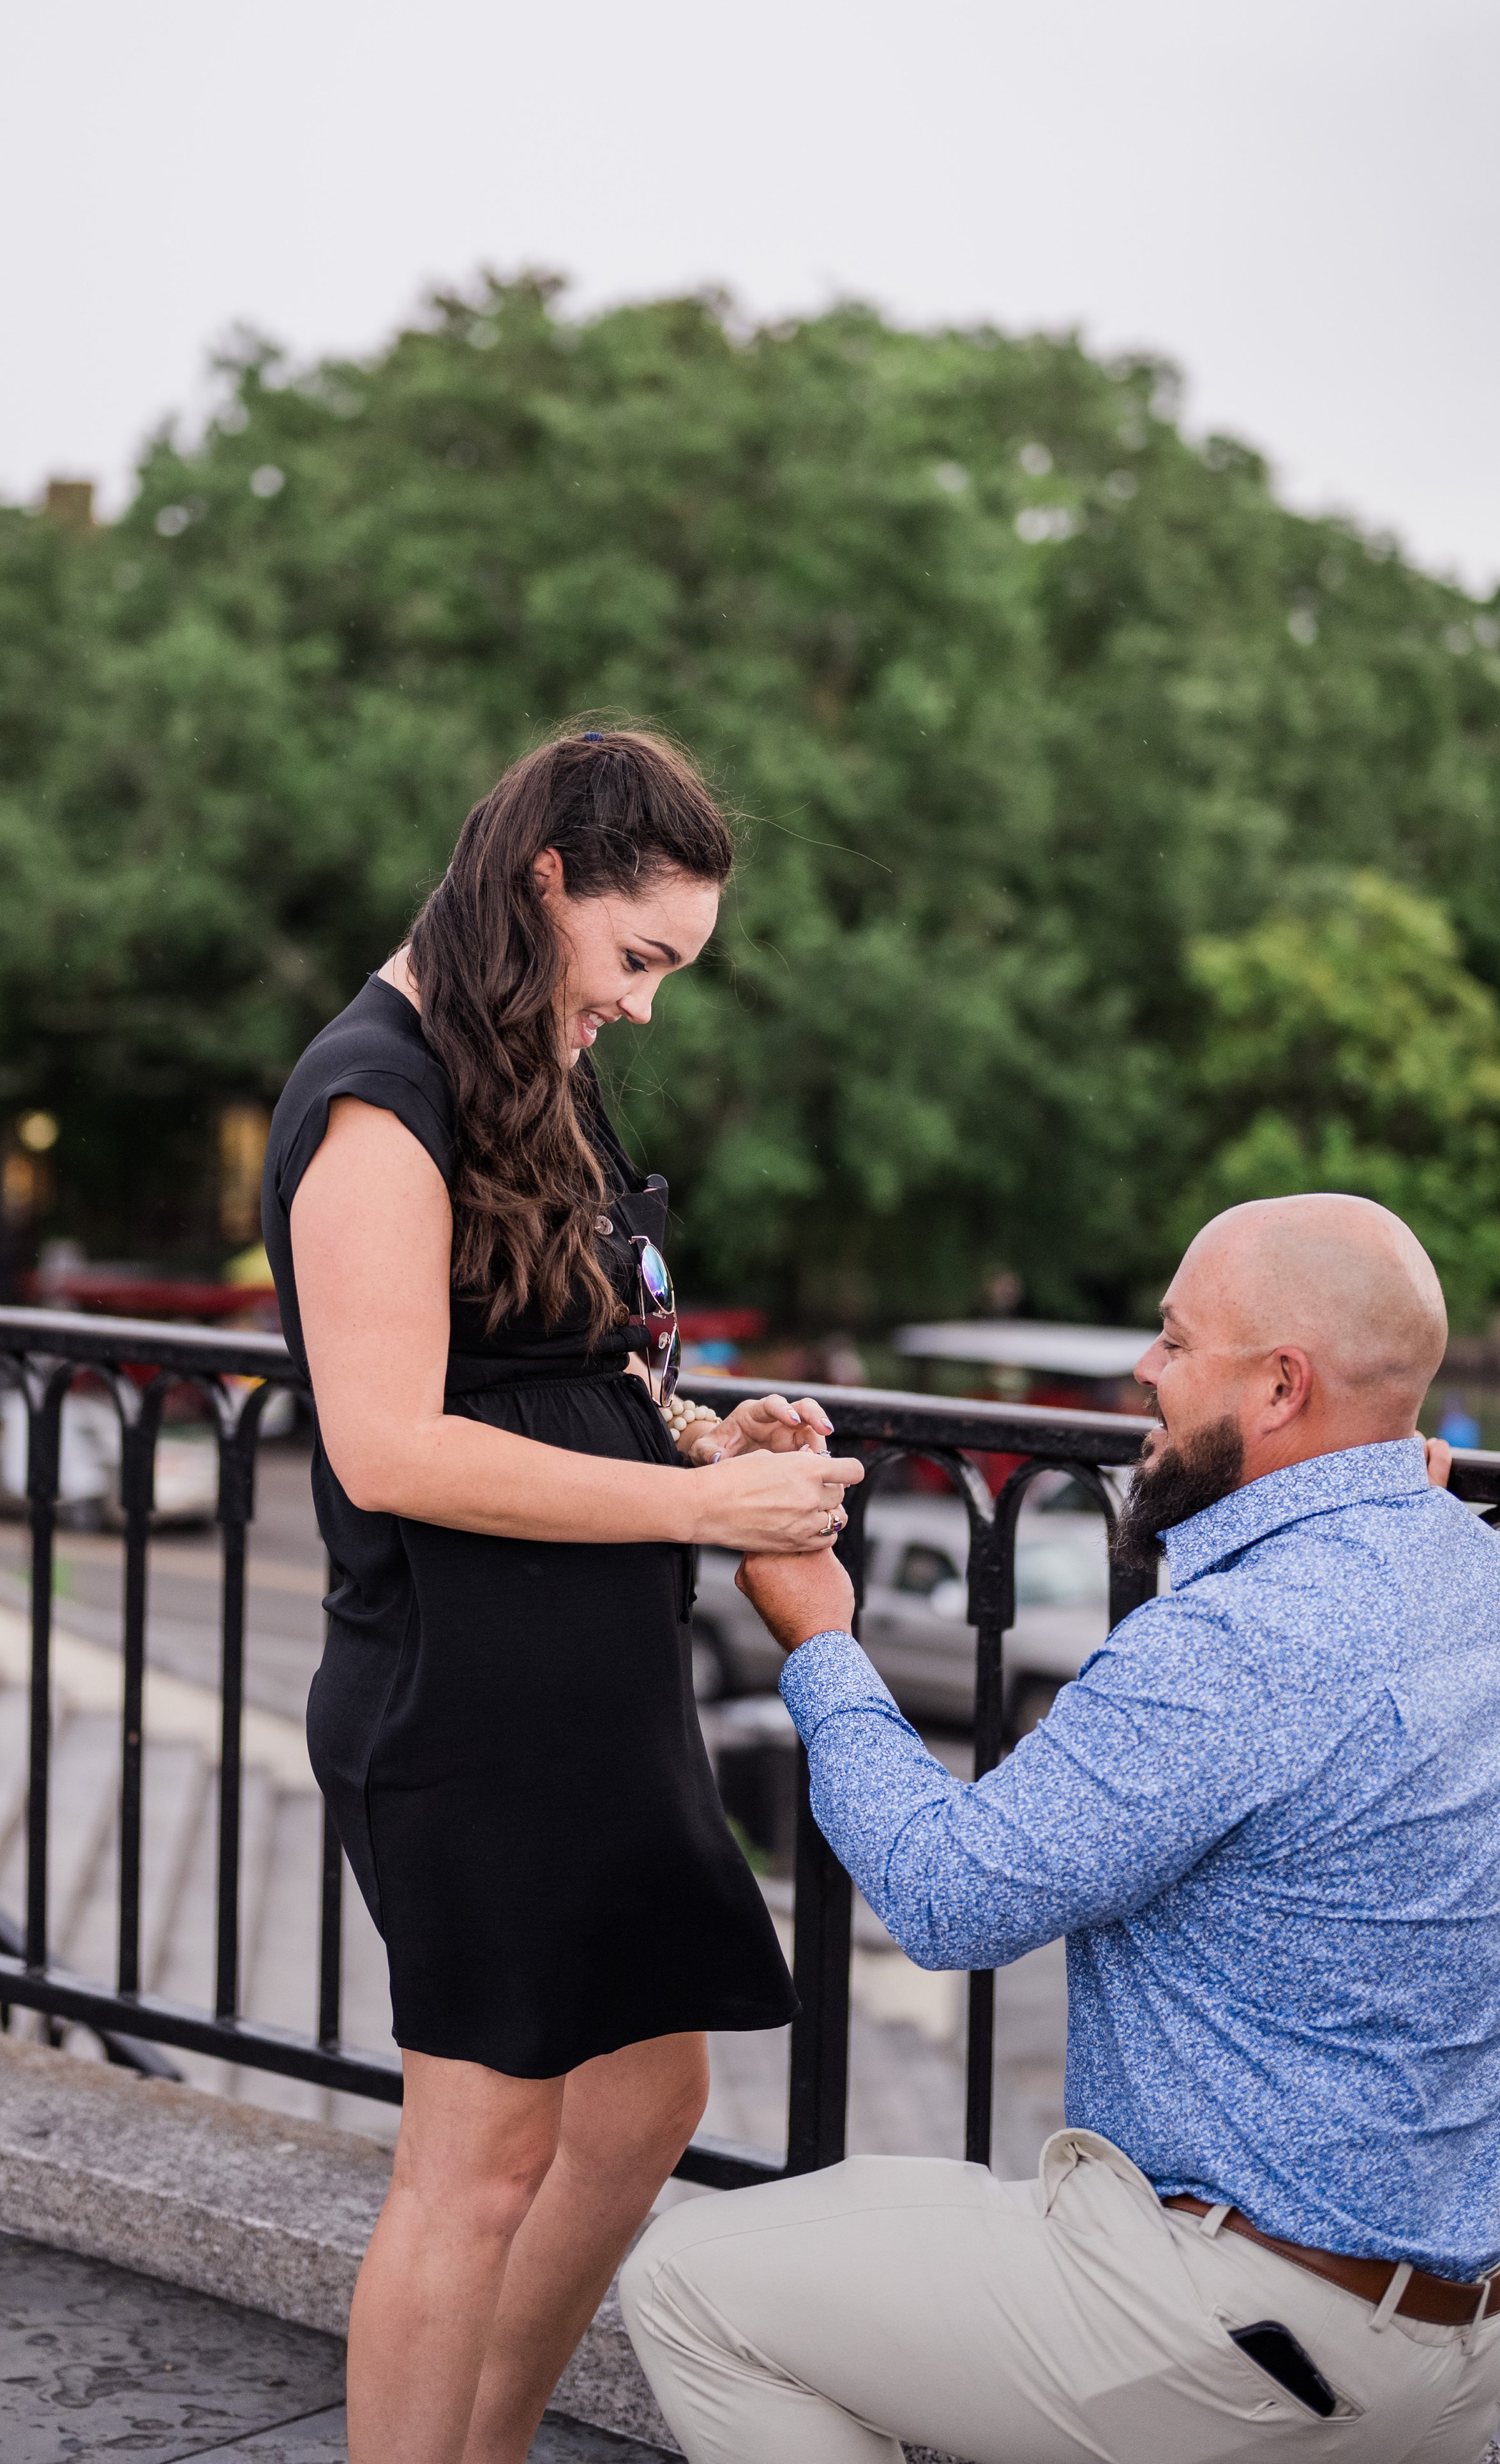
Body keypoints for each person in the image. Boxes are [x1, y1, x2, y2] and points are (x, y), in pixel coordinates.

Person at [621, 1193, 1500, 2464]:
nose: (1143, 1369)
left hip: (1238, 2331)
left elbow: (949, 1896)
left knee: (687, 2282)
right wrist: (1376, 1476)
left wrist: (819, 1637)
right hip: (1453, 2346)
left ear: (1282, 1387)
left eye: (1177, 1345)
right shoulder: (1496, 1580)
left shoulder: (1235, 1644)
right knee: (863, 2213)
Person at [259, 726, 863, 2464]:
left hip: (592, 1697)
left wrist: (698, 1435)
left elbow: (541, 1365)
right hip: (463, 1701)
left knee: (647, 2099)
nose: (649, 1005)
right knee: (475, 2165)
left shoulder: (528, 1055)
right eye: (639, 957)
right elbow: (393, 1449)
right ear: (544, 886)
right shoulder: (377, 1096)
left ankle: (485, 2441)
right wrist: (703, 1513)